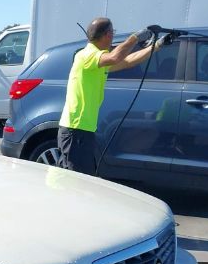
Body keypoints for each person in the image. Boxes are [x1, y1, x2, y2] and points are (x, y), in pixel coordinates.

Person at [58, 18, 166, 175]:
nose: (113, 37)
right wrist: (135, 37)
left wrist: (157, 46)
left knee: (80, 178)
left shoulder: (97, 60)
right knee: (74, 181)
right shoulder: (87, 55)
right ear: (107, 34)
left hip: (82, 130)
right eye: (112, 33)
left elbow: (127, 61)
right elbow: (115, 57)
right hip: (75, 130)